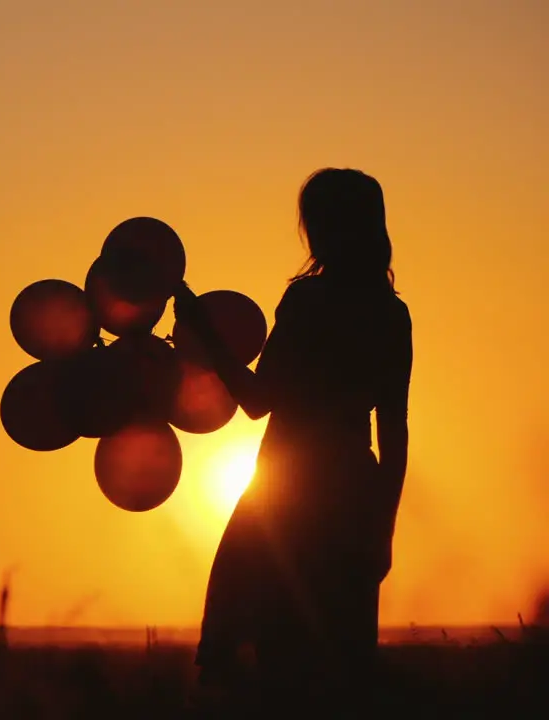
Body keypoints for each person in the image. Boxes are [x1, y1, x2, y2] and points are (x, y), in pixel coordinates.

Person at [174, 168, 413, 711]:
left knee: (268, 665)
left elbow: (259, 400)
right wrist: (383, 527)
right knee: (342, 671)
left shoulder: (308, 302)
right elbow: (394, 429)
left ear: (320, 227)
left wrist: (205, 333)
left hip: (287, 497)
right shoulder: (392, 313)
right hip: (355, 493)